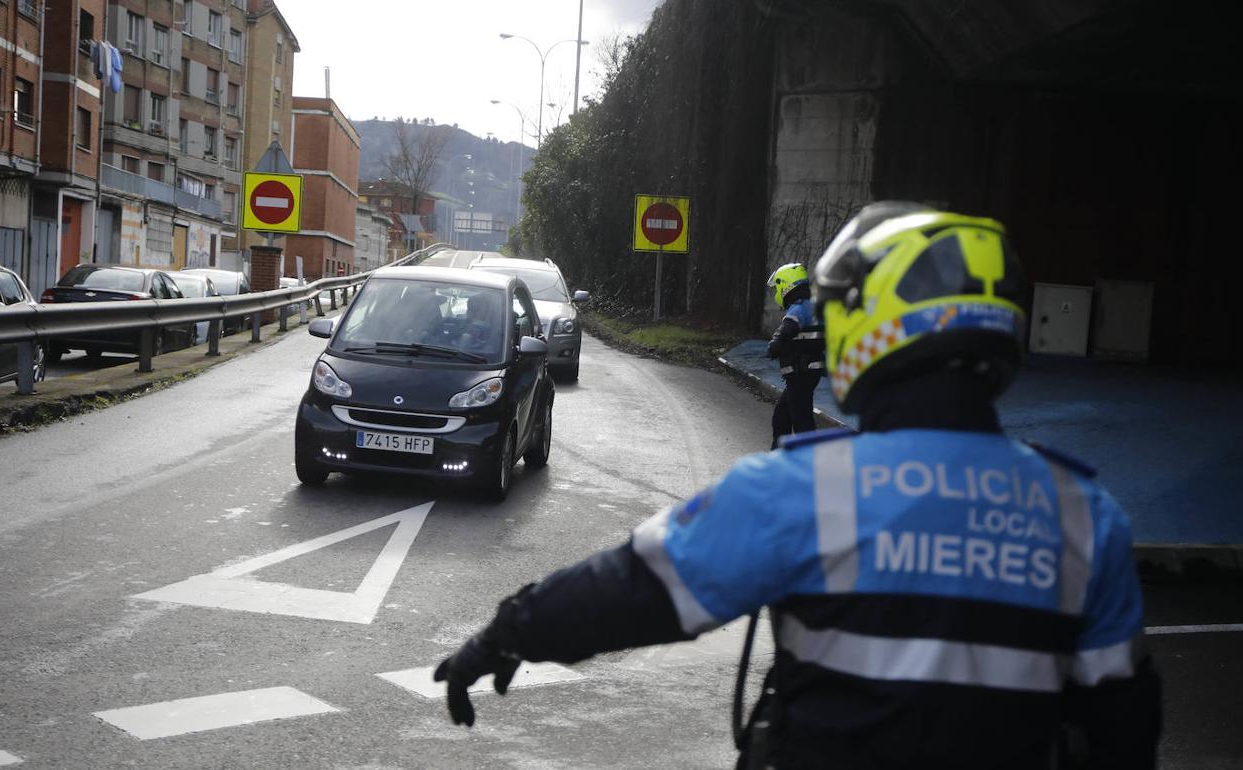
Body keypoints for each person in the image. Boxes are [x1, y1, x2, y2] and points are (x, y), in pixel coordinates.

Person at [434, 202, 1161, 769]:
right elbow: (1123, 727)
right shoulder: (1084, 516)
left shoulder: (807, 489)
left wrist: (506, 634)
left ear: (874, 328)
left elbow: (635, 589)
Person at [765, 263, 826, 449]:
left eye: (778, 287)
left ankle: (809, 463)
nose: (777, 292)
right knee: (782, 417)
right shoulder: (810, 305)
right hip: (803, 373)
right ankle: (780, 456)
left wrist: (775, 344)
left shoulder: (799, 308)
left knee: (802, 420)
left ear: (786, 286)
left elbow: (788, 328)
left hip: (802, 373)